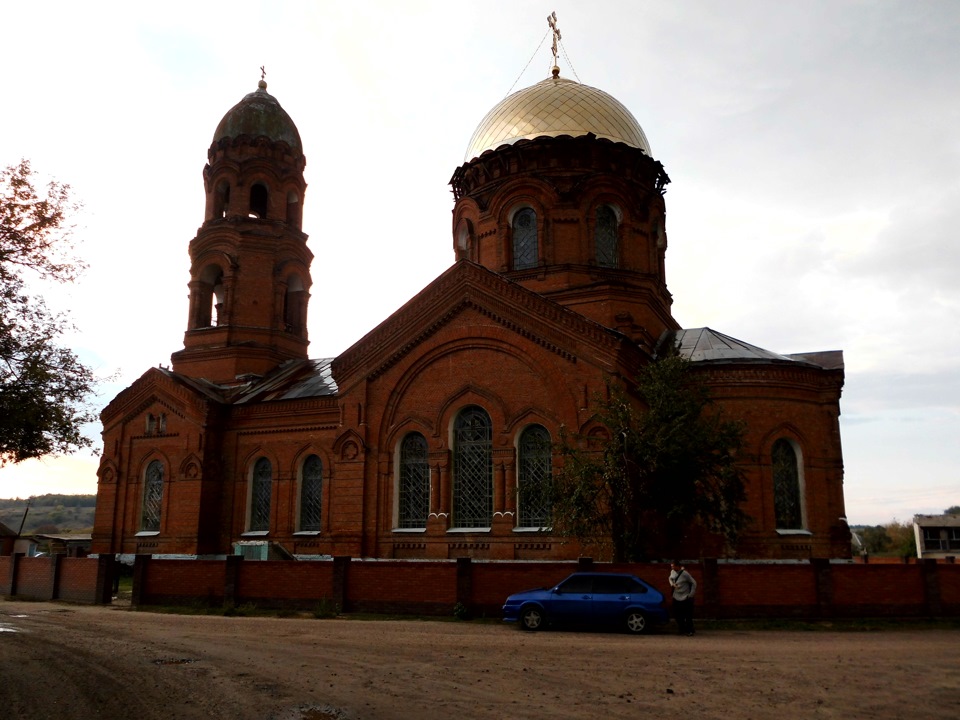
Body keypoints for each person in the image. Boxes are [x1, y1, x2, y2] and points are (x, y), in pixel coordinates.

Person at [669, 560, 697, 636]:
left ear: (677, 566)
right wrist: (672, 584)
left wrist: (691, 594)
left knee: (687, 615)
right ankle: (682, 629)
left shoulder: (685, 574)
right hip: (676, 596)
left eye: (673, 566)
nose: (672, 568)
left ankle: (690, 630)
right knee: (677, 615)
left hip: (685, 597)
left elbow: (694, 583)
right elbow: (670, 578)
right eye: (671, 566)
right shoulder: (672, 572)